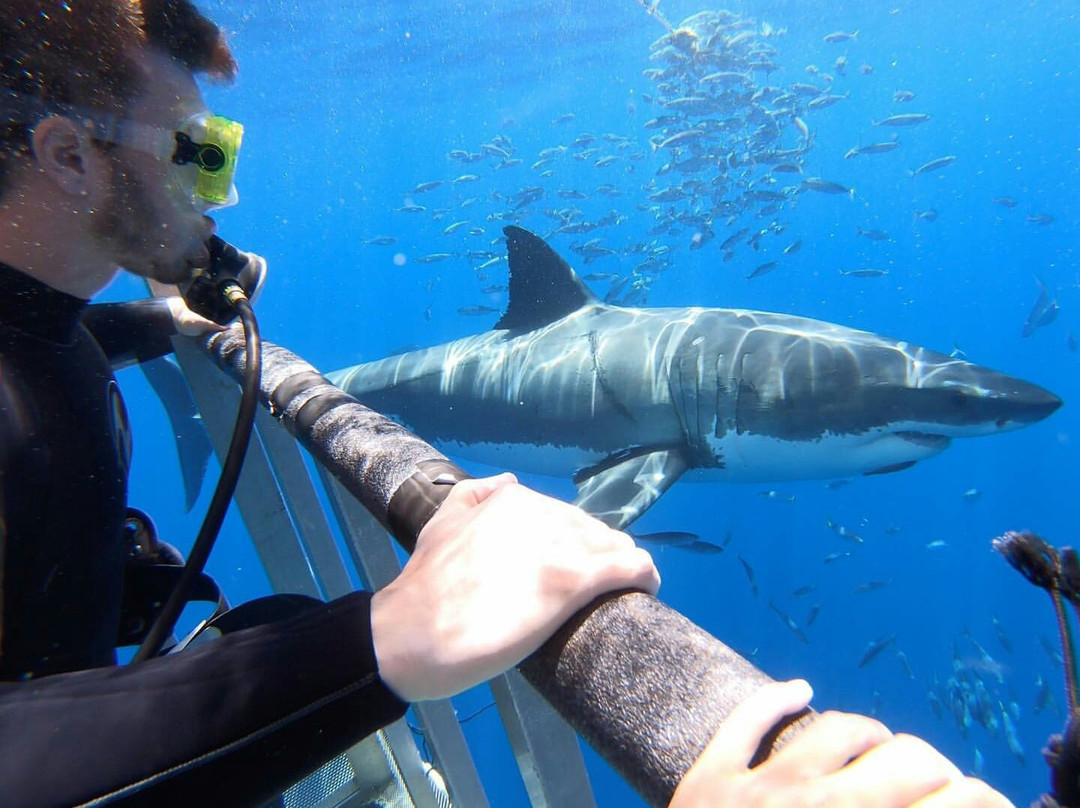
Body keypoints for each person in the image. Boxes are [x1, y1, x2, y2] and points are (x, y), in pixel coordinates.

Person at [0, 2, 1011, 807]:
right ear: (67, 156)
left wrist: (141, 329)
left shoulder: (46, 338)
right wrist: (389, 636)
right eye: (194, 149)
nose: (219, 188)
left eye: (221, 144)